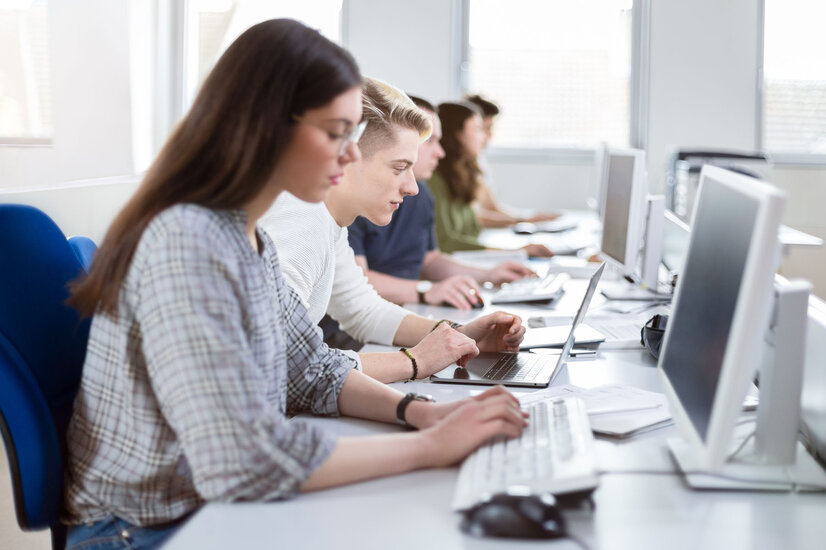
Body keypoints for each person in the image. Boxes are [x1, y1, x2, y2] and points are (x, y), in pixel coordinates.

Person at [63, 20, 526, 549]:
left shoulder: (245, 235)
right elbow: (241, 461)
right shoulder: (186, 242)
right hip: (145, 529)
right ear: (268, 127)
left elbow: (311, 371)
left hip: (204, 508)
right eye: (336, 134)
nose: (350, 155)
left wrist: (422, 413)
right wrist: (431, 447)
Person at [261, 78, 527, 383]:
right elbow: (284, 363)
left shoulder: (329, 220)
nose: (412, 187)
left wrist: (461, 336)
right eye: (399, 168)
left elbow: (363, 311)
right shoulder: (298, 217)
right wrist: (414, 361)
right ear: (348, 157)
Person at [346, 95, 535, 311]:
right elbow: (355, 284)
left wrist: (489, 274)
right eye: (430, 140)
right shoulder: (356, 198)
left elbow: (429, 261)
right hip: (371, 318)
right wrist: (426, 290)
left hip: (399, 311)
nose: (440, 152)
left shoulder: (421, 193)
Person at [427, 101, 553, 256]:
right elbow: (445, 242)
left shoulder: (461, 175)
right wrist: (514, 251)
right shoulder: (433, 180)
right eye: (478, 130)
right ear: (457, 135)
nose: (484, 138)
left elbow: (474, 223)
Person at [465, 93, 560, 228]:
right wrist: (523, 220)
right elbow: (474, 218)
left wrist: (528, 217)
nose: (489, 135)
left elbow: (492, 207)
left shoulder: (477, 163)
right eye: (485, 128)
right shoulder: (453, 168)